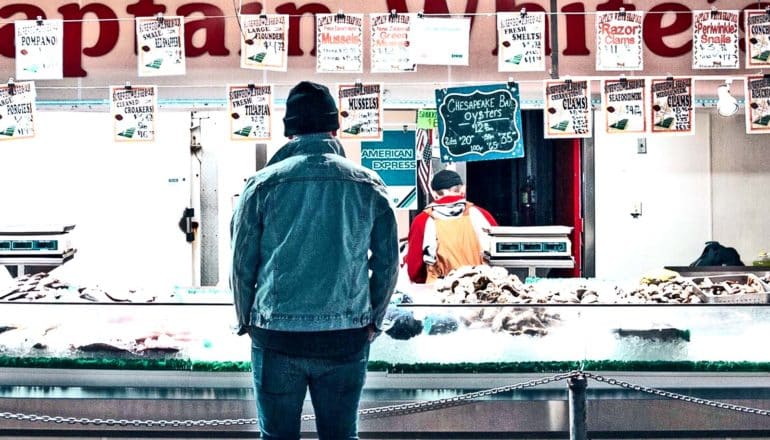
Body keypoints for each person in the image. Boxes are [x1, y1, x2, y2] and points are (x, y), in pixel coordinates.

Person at [230, 81, 399, 440]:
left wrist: (246, 320)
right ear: (335, 128)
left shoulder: (261, 185)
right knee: (341, 436)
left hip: (276, 336)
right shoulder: (368, 184)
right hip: (345, 336)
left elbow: (241, 263)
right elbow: (387, 263)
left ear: (288, 131)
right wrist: (373, 320)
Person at [405, 169, 498, 283]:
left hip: (440, 291)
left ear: (434, 194)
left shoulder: (422, 220)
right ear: (462, 190)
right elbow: (500, 255)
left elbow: (414, 270)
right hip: (480, 288)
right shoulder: (482, 215)